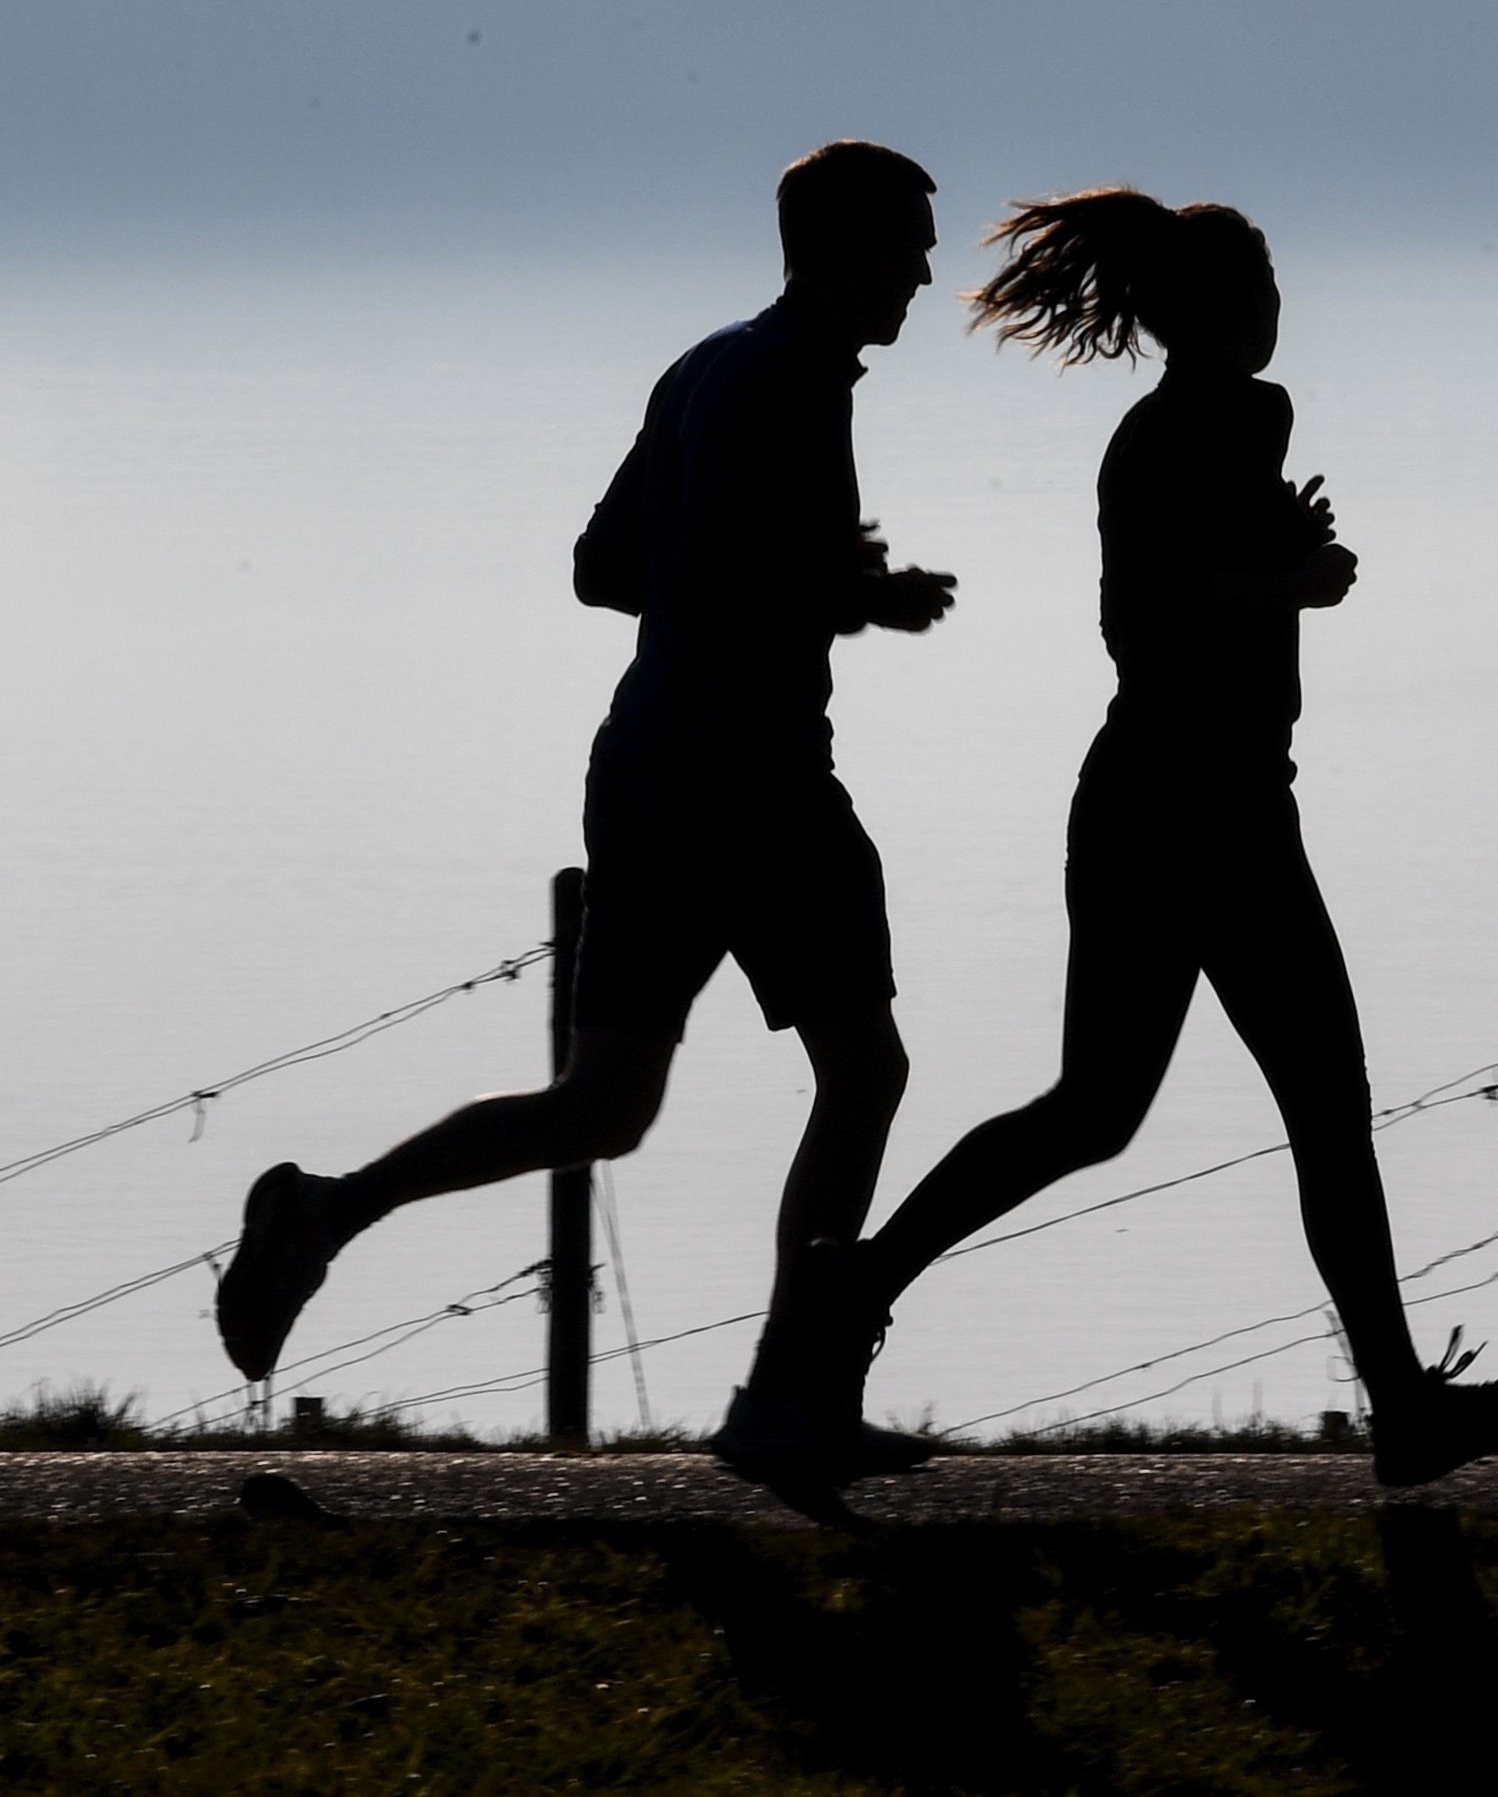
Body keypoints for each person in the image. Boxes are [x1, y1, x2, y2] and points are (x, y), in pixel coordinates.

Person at [215, 140, 961, 1500]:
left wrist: (781, 579)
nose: (924, 267)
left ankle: (330, 1209)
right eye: (909, 241)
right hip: (758, 779)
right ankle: (788, 1394)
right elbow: (739, 571)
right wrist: (853, 593)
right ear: (845, 247)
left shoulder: (703, 368)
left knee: (606, 1104)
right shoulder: (793, 380)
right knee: (865, 1072)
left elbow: (602, 567)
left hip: (644, 768)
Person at [808, 187, 1498, 1493]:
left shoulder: (1166, 434)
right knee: (1314, 1103)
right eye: (1268, 292)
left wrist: (1277, 554)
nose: (1281, 316)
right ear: (1237, 307)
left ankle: (860, 1278)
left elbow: (1180, 586)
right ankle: (1403, 1412)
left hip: (1152, 802)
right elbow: (1161, 610)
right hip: (1208, 810)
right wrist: (1297, 581)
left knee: (1096, 1110)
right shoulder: (1226, 420)